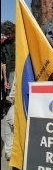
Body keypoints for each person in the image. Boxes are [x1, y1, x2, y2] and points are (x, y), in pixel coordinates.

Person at [1, 23, 15, 161]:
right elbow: (3, 63)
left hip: (21, 73)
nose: (9, 36)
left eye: (10, 33)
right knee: (11, 107)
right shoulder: (4, 44)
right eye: (7, 34)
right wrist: (5, 80)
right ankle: (10, 149)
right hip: (11, 74)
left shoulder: (20, 39)